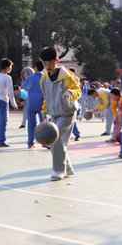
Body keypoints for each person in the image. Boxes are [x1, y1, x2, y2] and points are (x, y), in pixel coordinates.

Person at [39, 47, 82, 180]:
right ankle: (68, 169)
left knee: (56, 140)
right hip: (54, 114)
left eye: (49, 62)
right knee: (57, 142)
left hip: (67, 113)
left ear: (56, 60)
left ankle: (58, 171)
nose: (47, 66)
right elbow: (46, 97)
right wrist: (45, 111)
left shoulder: (67, 75)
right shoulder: (44, 78)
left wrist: (70, 93)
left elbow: (77, 90)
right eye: (44, 63)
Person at [0, 58, 18, 147]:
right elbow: (10, 92)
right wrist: (14, 103)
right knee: (2, 122)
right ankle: (1, 141)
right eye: (10, 66)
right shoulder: (8, 77)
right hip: (2, 101)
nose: (11, 68)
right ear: (6, 67)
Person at [22, 60, 45, 149]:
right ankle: (45, 142)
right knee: (44, 124)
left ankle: (30, 143)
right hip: (42, 103)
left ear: (35, 68)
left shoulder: (30, 78)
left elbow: (24, 88)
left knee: (31, 124)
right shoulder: (45, 77)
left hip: (31, 103)